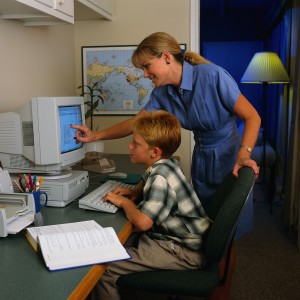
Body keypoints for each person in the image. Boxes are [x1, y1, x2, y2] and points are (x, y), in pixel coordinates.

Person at [72, 32, 261, 207]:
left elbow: (252, 117)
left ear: (166, 57)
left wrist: (244, 155)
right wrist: (95, 136)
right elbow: (134, 123)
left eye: (147, 66)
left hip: (230, 157)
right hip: (201, 160)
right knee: (210, 223)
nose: (145, 75)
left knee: (228, 226)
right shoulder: (161, 93)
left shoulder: (211, 75)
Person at [91, 110, 211, 300]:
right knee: (116, 244)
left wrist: (123, 202)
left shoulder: (160, 178)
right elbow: (149, 179)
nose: (129, 146)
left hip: (183, 252)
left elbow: (143, 222)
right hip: (182, 241)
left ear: (154, 152)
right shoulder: (167, 163)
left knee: (102, 270)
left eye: (136, 144)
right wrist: (135, 192)